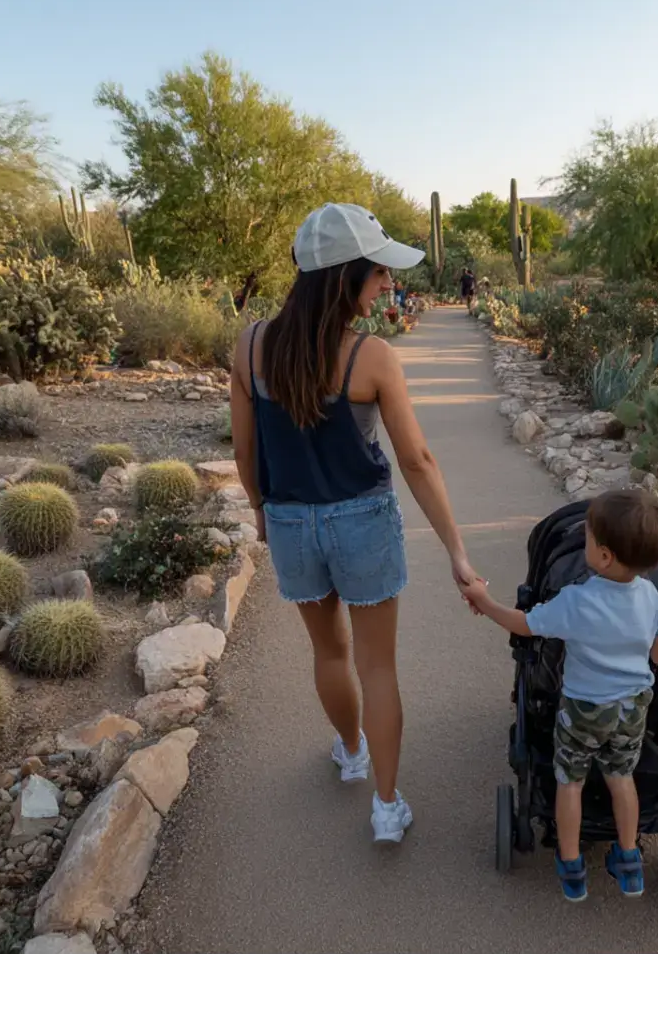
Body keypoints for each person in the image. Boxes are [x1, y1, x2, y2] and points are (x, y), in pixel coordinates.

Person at [229, 202, 480, 844]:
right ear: (346, 278)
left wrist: (261, 512)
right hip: (362, 520)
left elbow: (245, 451)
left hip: (289, 520)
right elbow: (417, 460)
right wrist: (456, 548)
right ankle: (387, 807)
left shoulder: (251, 345)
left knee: (329, 650)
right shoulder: (369, 358)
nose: (387, 286)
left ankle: (351, 752)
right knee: (378, 667)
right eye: (378, 275)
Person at [462, 489, 658, 901]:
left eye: (590, 538)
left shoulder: (577, 601)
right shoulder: (649, 595)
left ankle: (572, 866)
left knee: (570, 782)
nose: (585, 544)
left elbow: (525, 625)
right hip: (632, 707)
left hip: (584, 709)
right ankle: (630, 861)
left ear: (605, 556)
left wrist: (486, 603)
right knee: (620, 777)